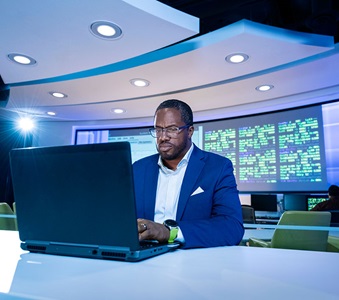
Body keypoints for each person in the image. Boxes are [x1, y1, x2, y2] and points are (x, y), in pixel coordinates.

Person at [133, 99, 244, 249]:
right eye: (158, 130)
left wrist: (169, 232)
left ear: (190, 131)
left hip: (194, 263)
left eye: (172, 129)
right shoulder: (138, 169)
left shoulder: (218, 167)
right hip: (141, 259)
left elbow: (232, 227)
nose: (163, 137)